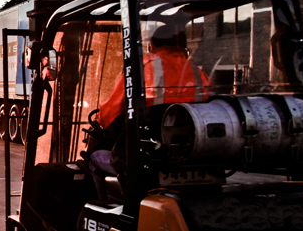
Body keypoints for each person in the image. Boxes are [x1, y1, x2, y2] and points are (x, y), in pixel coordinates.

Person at [88, 25, 211, 200]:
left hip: (148, 155)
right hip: (189, 155)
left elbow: (110, 114)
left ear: (151, 44)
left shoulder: (141, 69)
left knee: (95, 158)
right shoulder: (197, 72)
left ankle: (106, 209)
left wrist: (103, 120)